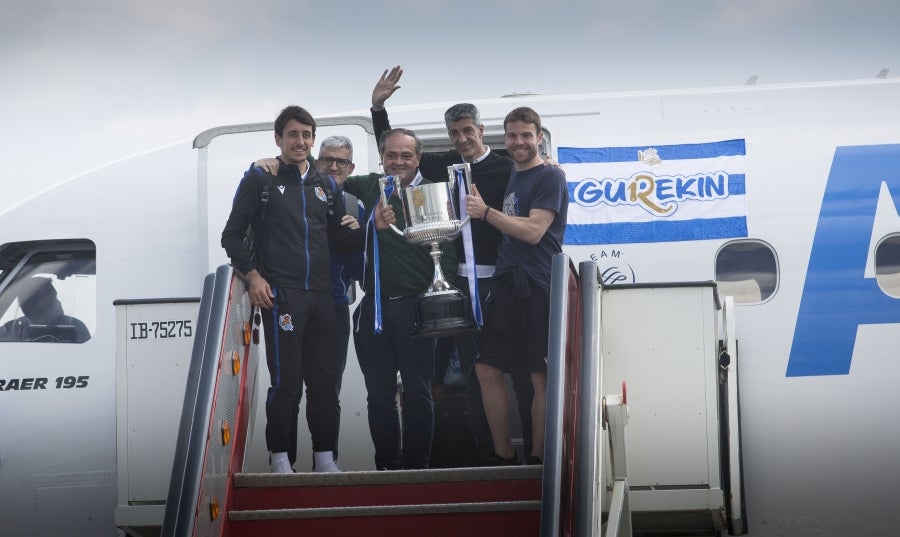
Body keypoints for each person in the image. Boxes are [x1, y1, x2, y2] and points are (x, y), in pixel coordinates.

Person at [370, 66, 535, 465]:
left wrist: (548, 164)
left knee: (522, 376)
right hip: (458, 285)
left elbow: (532, 180)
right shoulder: (441, 164)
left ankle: (535, 454)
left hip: (503, 283)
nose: (461, 139)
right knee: (479, 377)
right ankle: (488, 457)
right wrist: (377, 107)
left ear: (479, 129)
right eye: (454, 133)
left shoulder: (505, 168)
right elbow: (395, 151)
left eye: (467, 131)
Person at [220, 105, 365, 474]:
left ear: (313, 139)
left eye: (306, 135)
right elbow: (231, 235)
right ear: (278, 139)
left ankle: (325, 459)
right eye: (293, 135)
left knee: (324, 385)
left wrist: (363, 229)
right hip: (282, 296)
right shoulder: (261, 179)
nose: (300, 142)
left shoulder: (326, 185)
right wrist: (253, 277)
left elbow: (336, 241)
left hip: (323, 299)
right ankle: (281, 458)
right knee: (286, 384)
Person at [345, 127, 458, 470]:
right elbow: (321, 180)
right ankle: (386, 467)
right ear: (381, 158)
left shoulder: (433, 193)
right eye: (391, 155)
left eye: (406, 155)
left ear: (418, 159)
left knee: (419, 393)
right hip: (374, 308)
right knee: (379, 396)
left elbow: (448, 252)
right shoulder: (364, 186)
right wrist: (268, 165)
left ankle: (417, 467)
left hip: (416, 307)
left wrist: (440, 293)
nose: (398, 161)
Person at [465, 106, 569, 466]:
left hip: (539, 286)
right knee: (486, 369)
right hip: (508, 284)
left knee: (539, 377)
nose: (519, 142)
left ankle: (539, 460)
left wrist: (487, 213)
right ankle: (504, 459)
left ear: (539, 137)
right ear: (504, 139)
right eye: (512, 136)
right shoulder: (515, 173)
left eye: (527, 135)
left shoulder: (550, 178)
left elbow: (534, 231)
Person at [0, 276, 90, 343]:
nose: (59, 303)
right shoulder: (10, 331)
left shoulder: (76, 327)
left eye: (56, 298)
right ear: (32, 308)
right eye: (52, 300)